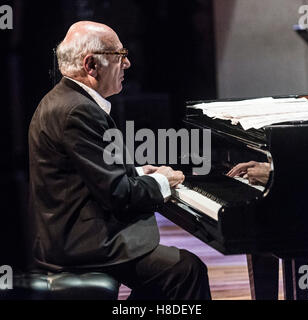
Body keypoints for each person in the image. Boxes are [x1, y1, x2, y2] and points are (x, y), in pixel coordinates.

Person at [28, 21, 211, 300]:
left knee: (177, 272)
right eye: (119, 55)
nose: (127, 63)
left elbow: (85, 173)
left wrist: (136, 171)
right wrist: (163, 180)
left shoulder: (68, 100)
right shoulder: (77, 111)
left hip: (74, 235)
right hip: (81, 245)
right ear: (91, 66)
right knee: (185, 271)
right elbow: (118, 194)